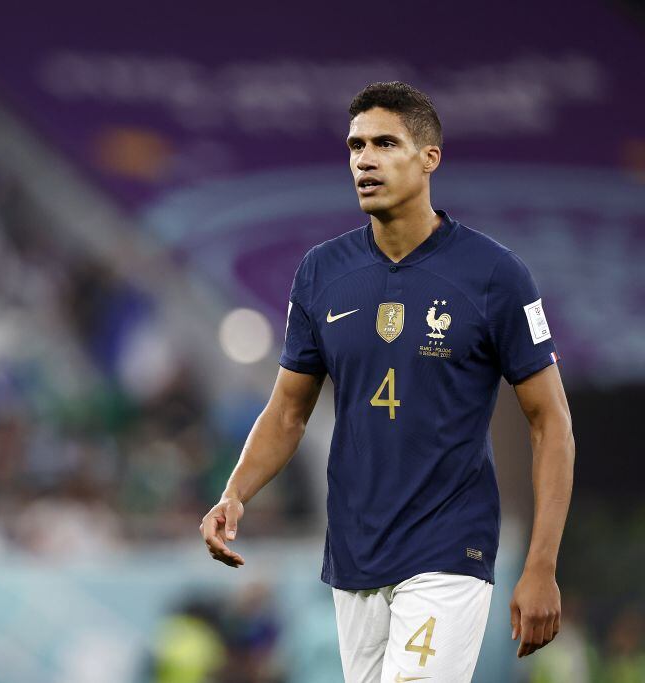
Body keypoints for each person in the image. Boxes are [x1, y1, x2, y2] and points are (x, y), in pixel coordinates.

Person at [199, 81, 575, 683]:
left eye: (384, 143)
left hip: (450, 548)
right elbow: (288, 411)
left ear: (429, 158)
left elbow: (550, 421)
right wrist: (235, 492)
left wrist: (541, 563)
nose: (363, 159)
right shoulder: (321, 273)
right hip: (355, 552)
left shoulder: (495, 275)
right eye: (354, 146)